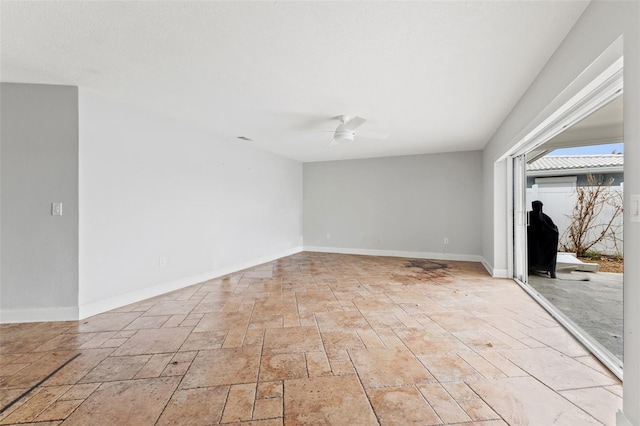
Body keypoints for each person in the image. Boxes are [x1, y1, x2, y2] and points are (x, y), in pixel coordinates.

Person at [527, 200, 559, 278]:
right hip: (534, 242)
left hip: (535, 242)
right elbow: (554, 229)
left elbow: (553, 230)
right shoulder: (544, 217)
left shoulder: (530, 215)